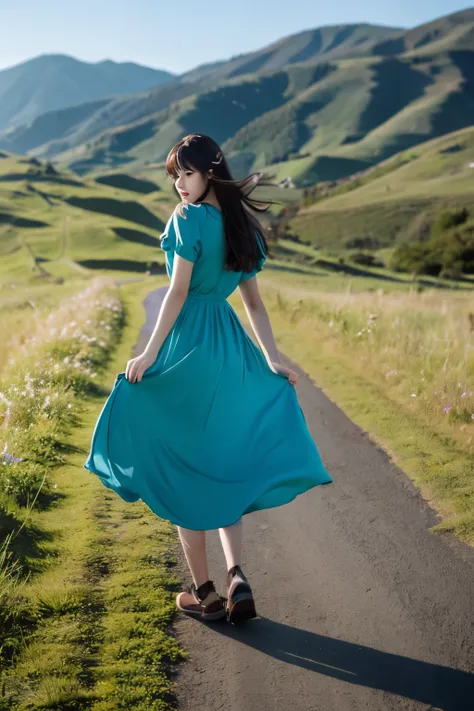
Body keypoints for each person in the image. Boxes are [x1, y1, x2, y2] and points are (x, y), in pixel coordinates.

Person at [84, 133, 333, 625]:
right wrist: (272, 360)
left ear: (211, 171)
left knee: (181, 466)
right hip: (230, 349)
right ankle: (237, 575)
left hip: (189, 347)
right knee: (220, 460)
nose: (179, 184)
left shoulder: (189, 219)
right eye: (174, 176)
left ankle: (204, 592)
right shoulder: (242, 226)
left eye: (186, 173)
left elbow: (176, 294)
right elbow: (254, 305)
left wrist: (149, 355)